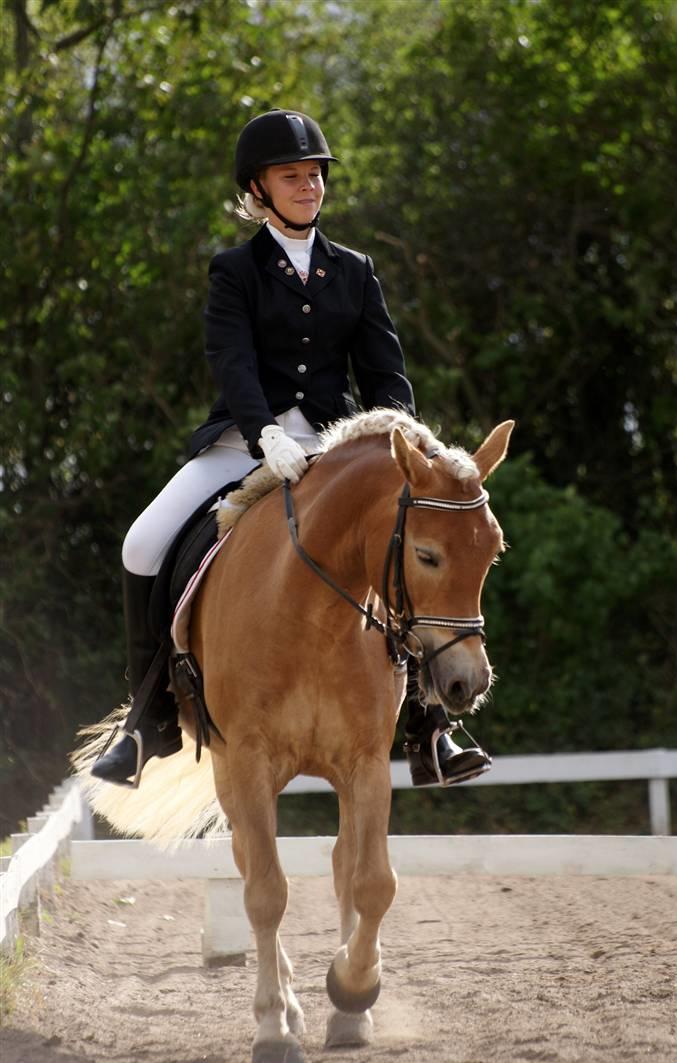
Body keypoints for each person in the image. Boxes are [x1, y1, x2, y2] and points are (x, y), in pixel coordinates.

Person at [91, 108, 490, 789]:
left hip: (339, 453)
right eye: (291, 176)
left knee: (428, 540)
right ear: (258, 189)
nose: (308, 186)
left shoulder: (356, 271)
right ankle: (149, 716)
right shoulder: (234, 271)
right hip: (247, 445)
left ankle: (433, 726)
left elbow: (386, 372)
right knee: (142, 543)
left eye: (315, 175)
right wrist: (263, 431)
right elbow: (232, 359)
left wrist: (407, 443)